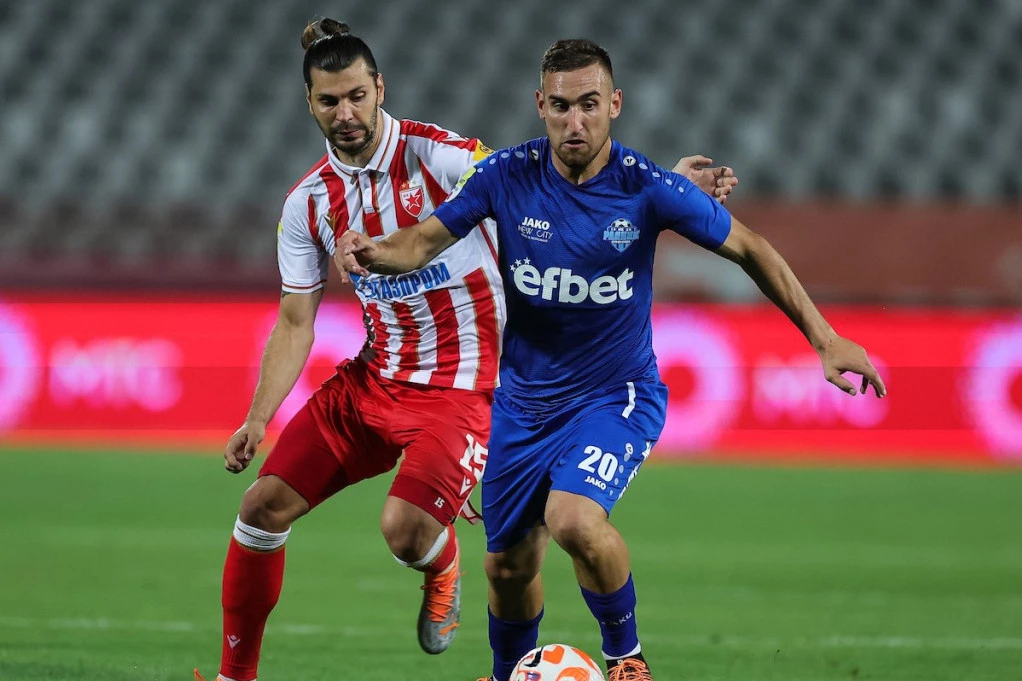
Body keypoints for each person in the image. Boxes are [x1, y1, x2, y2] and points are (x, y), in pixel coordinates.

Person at [197, 21, 737, 681]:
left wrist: (658, 189)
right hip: (373, 378)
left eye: (357, 96)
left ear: (380, 89)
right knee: (259, 508)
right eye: (329, 100)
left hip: (464, 388)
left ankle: (443, 561)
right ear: (308, 103)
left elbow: (549, 178)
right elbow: (293, 321)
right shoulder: (308, 202)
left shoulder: (441, 156)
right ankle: (233, 677)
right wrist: (258, 417)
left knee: (405, 532)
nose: (346, 113)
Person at [335, 38, 887, 681]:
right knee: (507, 566)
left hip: (614, 395)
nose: (575, 121)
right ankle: (509, 672)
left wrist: (824, 339)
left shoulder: (647, 187)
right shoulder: (504, 175)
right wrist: (373, 251)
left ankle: (627, 660)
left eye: (590, 105)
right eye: (561, 106)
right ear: (540, 105)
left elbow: (750, 247)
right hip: (522, 403)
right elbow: (421, 242)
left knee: (573, 519)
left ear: (615, 104)